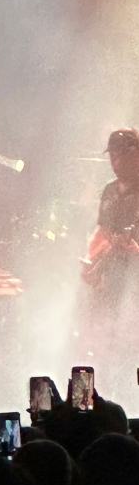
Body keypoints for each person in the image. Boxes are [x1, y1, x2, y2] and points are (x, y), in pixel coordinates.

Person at [81, 128, 139, 396]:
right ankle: (100, 396)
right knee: (98, 334)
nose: (115, 163)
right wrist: (91, 261)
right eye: (112, 157)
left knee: (130, 339)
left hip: (135, 277)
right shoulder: (110, 191)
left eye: (121, 156)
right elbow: (102, 230)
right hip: (111, 274)